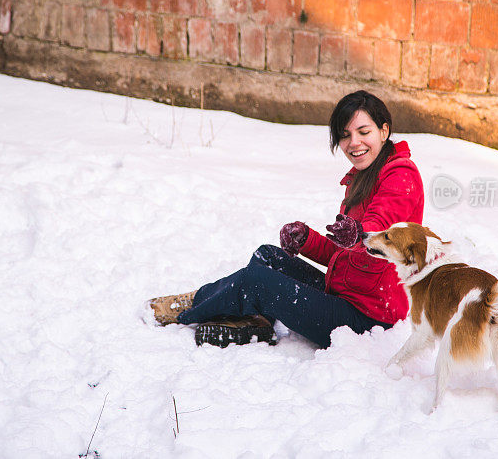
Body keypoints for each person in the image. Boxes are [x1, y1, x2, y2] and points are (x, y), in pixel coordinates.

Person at [147, 90, 424, 349]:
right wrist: (306, 240)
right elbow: (346, 257)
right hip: (344, 294)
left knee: (257, 281)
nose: (354, 143)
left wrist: (359, 231)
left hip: (368, 320)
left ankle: (188, 307)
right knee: (268, 256)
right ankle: (257, 323)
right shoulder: (362, 178)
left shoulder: (400, 176)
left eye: (364, 132)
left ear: (384, 130)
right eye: (345, 135)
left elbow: (379, 225)